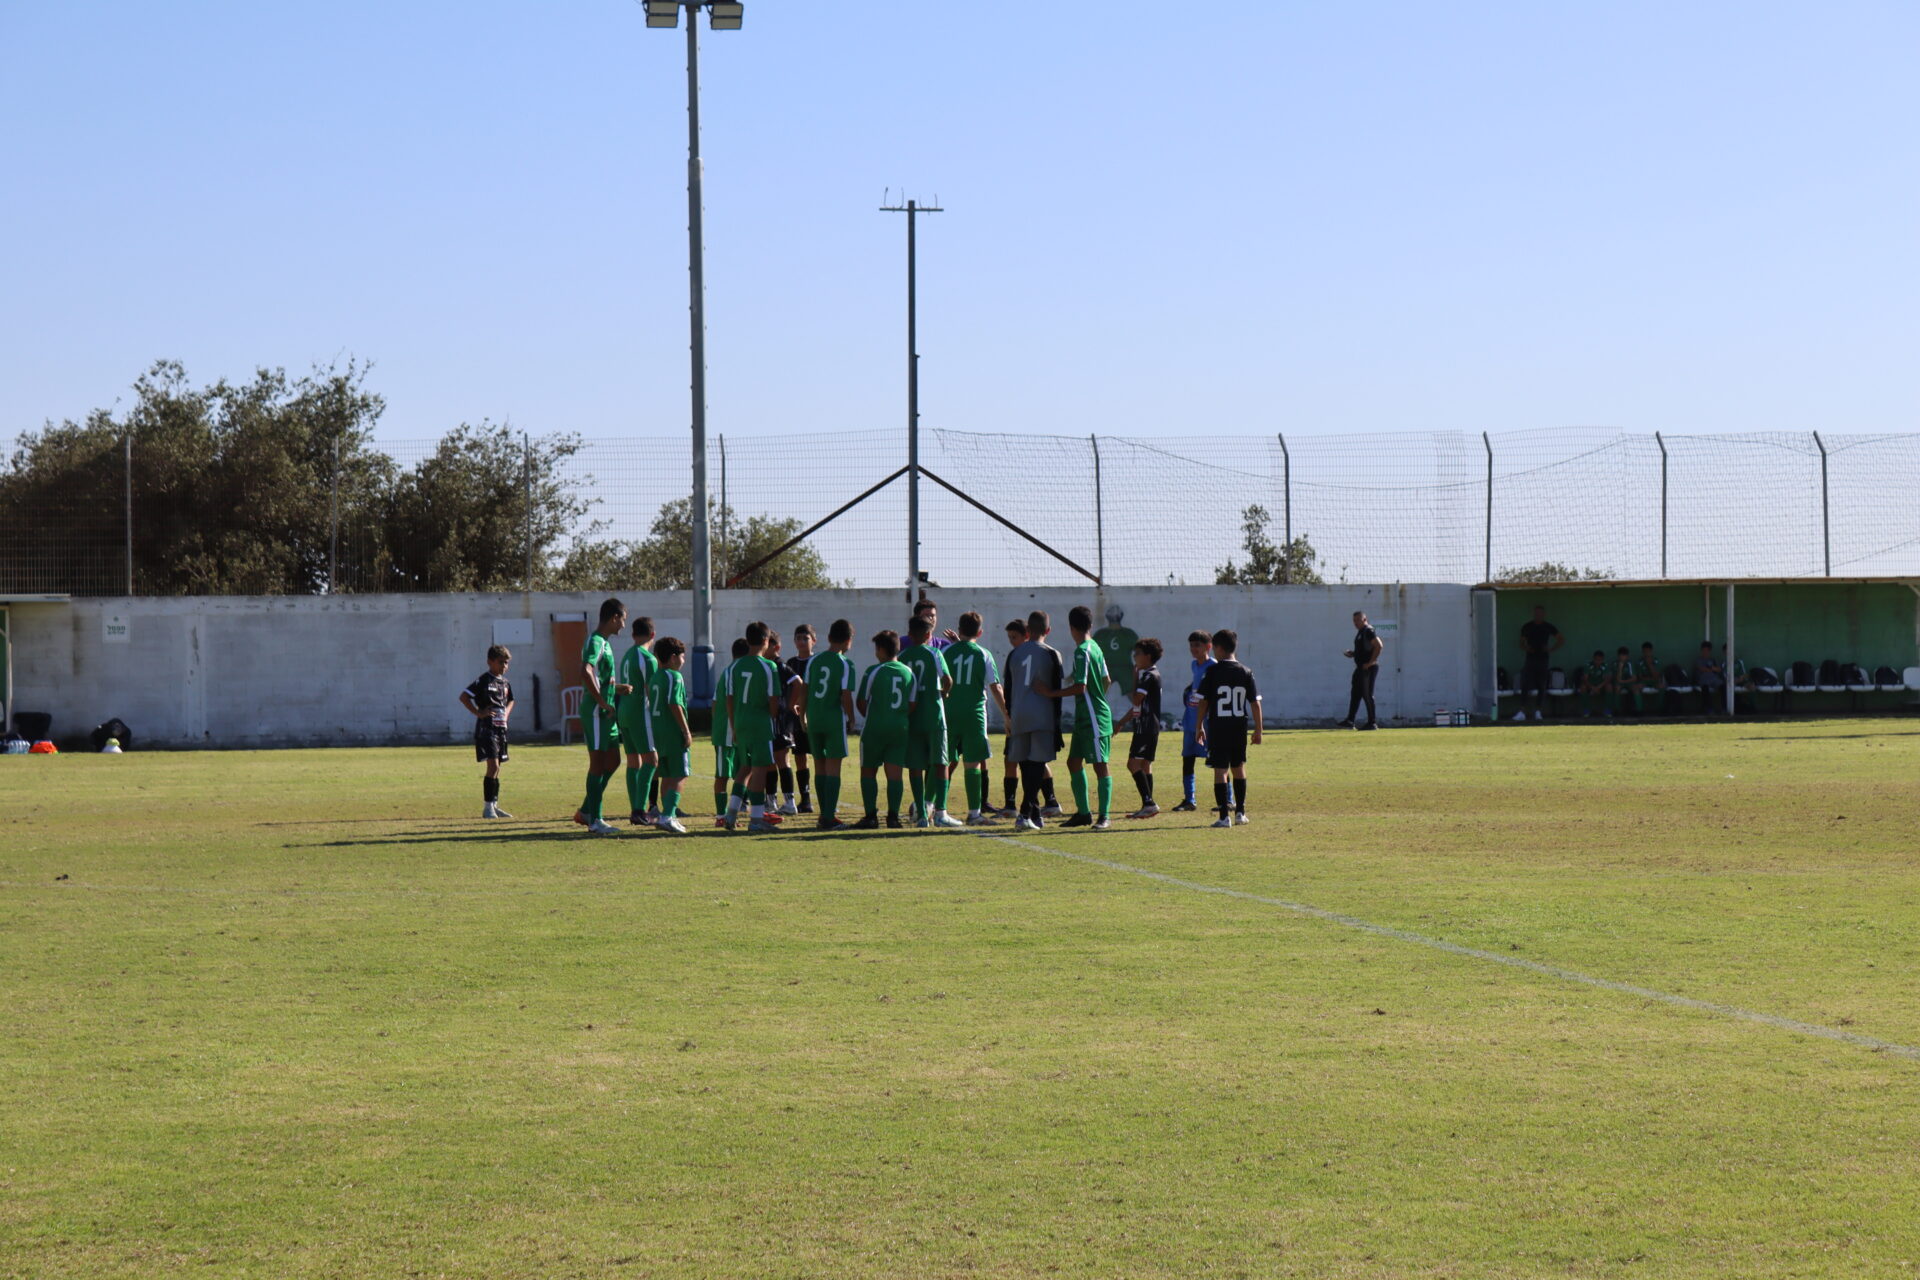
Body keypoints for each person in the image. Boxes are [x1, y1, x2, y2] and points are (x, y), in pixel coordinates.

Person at [1044, 604, 1116, 829]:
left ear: (1071, 627)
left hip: (1093, 718)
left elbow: (1080, 687)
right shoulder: (1095, 647)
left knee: (1100, 765)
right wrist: (1098, 697)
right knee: (1073, 762)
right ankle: (1084, 814)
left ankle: (1104, 816)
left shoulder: (1082, 651)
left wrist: (1051, 693)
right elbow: (1107, 680)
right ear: (1090, 625)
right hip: (1086, 716)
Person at [943, 611, 1007, 826]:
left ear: (959, 630)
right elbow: (995, 687)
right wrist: (1006, 715)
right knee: (973, 764)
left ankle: (933, 808)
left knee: (943, 762)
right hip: (974, 715)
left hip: (948, 713)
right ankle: (974, 813)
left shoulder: (946, 651)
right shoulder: (983, 654)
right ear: (980, 632)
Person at [574, 597, 631, 836]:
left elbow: (598, 678)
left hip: (606, 712)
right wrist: (601, 701)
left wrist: (616, 688)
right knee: (597, 764)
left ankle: (587, 810)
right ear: (614, 618)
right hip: (597, 712)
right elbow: (585, 671)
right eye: (623, 620)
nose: (624, 626)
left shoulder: (604, 643)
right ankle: (595, 820)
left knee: (613, 761)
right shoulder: (596, 641)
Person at [722, 621, 784, 833]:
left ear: (748, 640)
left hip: (740, 722)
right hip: (760, 724)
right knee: (759, 770)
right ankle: (756, 819)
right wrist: (772, 716)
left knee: (745, 768)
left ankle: (731, 814)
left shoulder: (735, 667)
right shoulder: (768, 666)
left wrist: (734, 725)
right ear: (766, 641)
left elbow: (729, 699)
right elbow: (774, 699)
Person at [900, 616, 962, 827]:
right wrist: (945, 693)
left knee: (915, 765)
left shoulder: (903, 656)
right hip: (934, 715)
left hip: (913, 717)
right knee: (941, 763)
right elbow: (947, 679)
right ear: (929, 635)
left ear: (909, 635)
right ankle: (940, 813)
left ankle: (921, 814)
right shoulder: (934, 653)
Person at [1195, 628, 1261, 827]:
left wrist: (1199, 725)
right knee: (1239, 767)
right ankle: (1240, 813)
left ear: (1219, 648)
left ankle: (1224, 816)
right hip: (1239, 726)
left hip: (1219, 727)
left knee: (1220, 770)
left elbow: (1203, 702)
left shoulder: (1212, 671)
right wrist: (1258, 730)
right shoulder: (1246, 671)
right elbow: (1255, 703)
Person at [1006, 610, 1063, 831]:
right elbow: (1056, 691)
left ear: (1028, 630)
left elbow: (1008, 688)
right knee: (1037, 766)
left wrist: (1010, 716)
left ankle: (1035, 813)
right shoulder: (1052, 654)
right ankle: (1024, 813)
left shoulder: (1014, 654)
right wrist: (1057, 726)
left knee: (1025, 765)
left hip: (1019, 715)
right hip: (1042, 716)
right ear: (1048, 630)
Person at [800, 618, 859, 831]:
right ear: (848, 640)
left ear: (828, 637)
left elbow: (804, 690)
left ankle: (823, 815)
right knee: (833, 768)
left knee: (819, 766)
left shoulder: (814, 661)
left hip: (814, 717)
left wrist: (802, 716)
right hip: (833, 719)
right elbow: (845, 695)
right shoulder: (845, 663)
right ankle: (828, 816)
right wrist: (851, 718)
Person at [854, 629, 915, 829]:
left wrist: (875, 716)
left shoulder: (874, 671)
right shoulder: (908, 672)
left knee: (868, 771)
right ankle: (893, 817)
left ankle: (871, 816)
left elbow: (861, 701)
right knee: (895, 774)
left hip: (875, 728)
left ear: (880, 650)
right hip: (900, 729)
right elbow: (912, 703)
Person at [458, 643, 515, 818]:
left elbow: (511, 700)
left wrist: (506, 713)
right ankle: (487, 807)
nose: (504, 666)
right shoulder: (484, 680)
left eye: (506, 662)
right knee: (493, 766)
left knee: (497, 768)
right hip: (487, 729)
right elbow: (464, 697)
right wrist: (478, 713)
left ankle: (494, 805)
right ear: (490, 662)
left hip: (500, 729)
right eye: (501, 662)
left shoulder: (505, 682)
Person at [617, 616, 660, 826]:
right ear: (653, 635)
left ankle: (635, 808)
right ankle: (639, 809)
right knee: (651, 760)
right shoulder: (648, 659)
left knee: (634, 762)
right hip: (640, 714)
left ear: (633, 634)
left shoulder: (627, 655)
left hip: (624, 712)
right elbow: (651, 691)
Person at [647, 637, 693, 834]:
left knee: (666, 774)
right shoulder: (674, 676)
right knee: (681, 773)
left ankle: (667, 816)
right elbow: (674, 703)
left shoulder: (655, 677)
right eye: (682, 656)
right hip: (672, 731)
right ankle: (668, 815)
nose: (683, 660)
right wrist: (686, 730)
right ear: (674, 657)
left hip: (657, 730)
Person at [1118, 637, 1163, 819]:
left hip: (1145, 727)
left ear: (1148, 656)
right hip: (1150, 726)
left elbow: (1136, 699)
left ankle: (1149, 803)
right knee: (1145, 765)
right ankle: (1147, 804)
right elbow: (1138, 706)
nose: (1134, 657)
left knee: (1132, 764)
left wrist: (1135, 677)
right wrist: (1121, 722)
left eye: (1137, 653)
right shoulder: (1152, 674)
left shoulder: (1148, 675)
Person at [1172, 630, 1214, 812]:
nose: (1193, 649)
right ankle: (1190, 799)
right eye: (1191, 645)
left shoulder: (1213, 666)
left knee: (1217, 761)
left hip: (1206, 723)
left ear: (1208, 646)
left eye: (1197, 645)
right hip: (1190, 720)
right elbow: (1197, 686)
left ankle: (1228, 800)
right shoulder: (1194, 665)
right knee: (1187, 759)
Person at [765, 629, 802, 815]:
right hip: (771, 718)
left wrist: (790, 704)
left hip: (780, 720)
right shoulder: (766, 665)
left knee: (782, 760)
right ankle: (771, 801)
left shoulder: (780, 666)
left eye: (767, 645)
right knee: (770, 761)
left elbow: (798, 682)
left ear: (776, 647)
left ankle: (789, 802)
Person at [711, 637, 747, 819]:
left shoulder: (729, 672)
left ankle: (735, 809)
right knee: (723, 775)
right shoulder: (733, 673)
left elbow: (714, 703)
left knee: (742, 770)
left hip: (734, 730)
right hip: (727, 732)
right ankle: (720, 815)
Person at [785, 625, 817, 813]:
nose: (802, 642)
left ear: (814, 641)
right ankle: (805, 799)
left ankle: (826, 798)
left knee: (821, 757)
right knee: (800, 757)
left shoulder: (818, 662)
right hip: (796, 718)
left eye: (806, 638)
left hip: (815, 715)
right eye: (798, 638)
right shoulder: (791, 663)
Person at [1339, 610, 1384, 730]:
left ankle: (1372, 723)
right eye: (1354, 620)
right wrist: (1353, 654)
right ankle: (1350, 720)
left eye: (1358, 620)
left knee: (1367, 694)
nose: (1355, 623)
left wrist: (1371, 662)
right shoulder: (1361, 632)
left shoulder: (1368, 630)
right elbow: (1365, 650)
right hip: (1360, 668)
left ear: (1365, 619)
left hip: (1368, 668)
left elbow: (1379, 646)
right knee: (1355, 694)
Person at [1516, 605, 1562, 722]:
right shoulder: (1527, 626)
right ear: (1534, 614)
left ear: (1544, 614)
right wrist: (1526, 648)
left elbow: (1560, 639)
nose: (1538, 615)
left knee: (1542, 685)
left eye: (1540, 613)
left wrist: (1550, 649)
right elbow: (1521, 643)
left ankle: (1538, 712)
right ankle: (1522, 711)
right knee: (1525, 684)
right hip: (1530, 659)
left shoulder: (1548, 627)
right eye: (1536, 613)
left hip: (1543, 659)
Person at [1093, 602, 1140, 697]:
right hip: (1124, 668)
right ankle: (1139, 708)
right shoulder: (1129, 634)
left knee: (1097, 697)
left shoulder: (1100, 634)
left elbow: (1090, 653)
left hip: (1108, 668)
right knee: (1134, 697)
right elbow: (1140, 651)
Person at [1575, 649, 1613, 717]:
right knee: (1582, 687)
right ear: (1593, 658)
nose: (1598, 661)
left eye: (1600, 660)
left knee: (1609, 687)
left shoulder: (1605, 666)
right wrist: (1592, 688)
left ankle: (1607, 710)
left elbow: (1607, 679)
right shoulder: (1588, 665)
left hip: (1600, 687)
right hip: (1590, 686)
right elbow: (1585, 679)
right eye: (1596, 659)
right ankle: (1586, 710)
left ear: (1603, 659)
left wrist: (1598, 687)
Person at [1637, 641, 1671, 715]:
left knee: (1662, 686)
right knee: (1636, 687)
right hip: (1645, 681)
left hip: (1655, 681)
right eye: (1645, 652)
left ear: (1651, 651)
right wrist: (1648, 679)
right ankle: (1639, 711)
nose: (1646, 654)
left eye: (1648, 651)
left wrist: (1650, 665)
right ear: (1642, 652)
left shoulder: (1656, 661)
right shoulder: (1640, 662)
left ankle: (1662, 710)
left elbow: (1657, 676)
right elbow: (1640, 677)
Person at [1693, 641, 1726, 714]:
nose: (1705, 652)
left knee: (1723, 687)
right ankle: (1709, 708)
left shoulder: (1713, 660)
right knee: (1705, 688)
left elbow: (1719, 669)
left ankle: (1725, 708)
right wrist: (1712, 669)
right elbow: (1702, 669)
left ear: (1710, 651)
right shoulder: (1698, 660)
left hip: (1714, 679)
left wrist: (1712, 668)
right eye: (1704, 650)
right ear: (1701, 650)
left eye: (1707, 650)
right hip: (1703, 679)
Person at [1611, 646, 1643, 716]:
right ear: (1618, 656)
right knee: (1617, 688)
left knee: (1636, 688)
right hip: (1618, 683)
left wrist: (1624, 682)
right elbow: (1618, 679)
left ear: (1627, 656)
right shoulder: (1615, 664)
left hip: (1629, 682)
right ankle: (1617, 710)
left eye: (1624, 656)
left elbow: (1634, 678)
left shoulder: (1630, 664)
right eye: (1621, 656)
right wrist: (1620, 667)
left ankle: (1639, 710)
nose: (1622, 658)